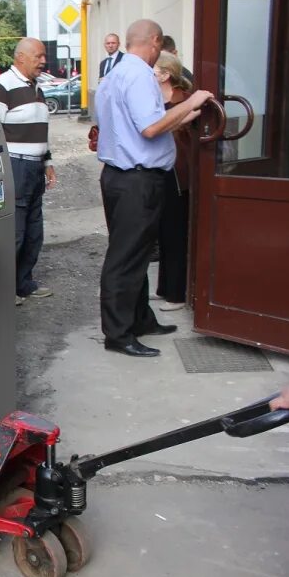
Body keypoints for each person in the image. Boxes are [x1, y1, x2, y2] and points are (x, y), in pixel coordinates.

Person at [94, 19, 213, 358]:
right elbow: (149, 129)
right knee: (125, 258)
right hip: (136, 180)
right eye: (160, 46)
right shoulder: (140, 77)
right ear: (156, 41)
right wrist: (191, 103)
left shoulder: (115, 74)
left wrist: (184, 114)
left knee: (137, 253)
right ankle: (118, 334)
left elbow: (144, 124)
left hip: (120, 177)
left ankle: (140, 319)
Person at [0, 38, 57, 306]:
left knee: (33, 231)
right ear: (21, 57)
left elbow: (41, 130)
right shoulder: (2, 87)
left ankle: (24, 283)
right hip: (15, 166)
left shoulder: (35, 87)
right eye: (39, 56)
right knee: (15, 233)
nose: (44, 61)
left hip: (35, 167)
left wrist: (48, 162)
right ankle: (5, 290)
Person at [153, 51, 195, 312]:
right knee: (164, 232)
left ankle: (177, 293)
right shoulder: (158, 99)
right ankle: (165, 288)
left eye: (154, 71)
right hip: (164, 171)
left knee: (176, 233)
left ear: (166, 74)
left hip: (180, 176)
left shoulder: (185, 100)